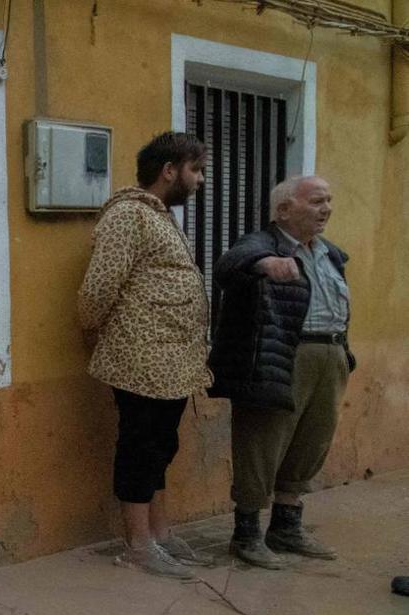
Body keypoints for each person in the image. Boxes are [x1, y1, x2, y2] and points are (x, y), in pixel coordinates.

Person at [77, 132, 212, 579]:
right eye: (196, 170)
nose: (200, 180)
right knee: (140, 446)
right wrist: (90, 331)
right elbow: (99, 287)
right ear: (169, 170)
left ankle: (160, 535)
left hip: (171, 360)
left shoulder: (161, 218)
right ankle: (137, 545)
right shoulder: (129, 215)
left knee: (161, 446)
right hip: (140, 357)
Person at [209, 175, 352, 568]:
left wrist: (345, 356)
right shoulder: (261, 243)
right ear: (284, 209)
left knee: (311, 441)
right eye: (317, 201)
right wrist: (264, 264)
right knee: (262, 442)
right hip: (284, 355)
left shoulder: (330, 253)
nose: (326, 208)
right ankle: (247, 534)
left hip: (331, 352)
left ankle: (286, 527)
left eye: (329, 200)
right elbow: (227, 266)